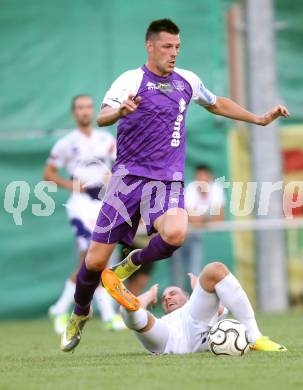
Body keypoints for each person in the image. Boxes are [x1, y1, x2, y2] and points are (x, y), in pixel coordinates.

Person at [61, 19, 289, 352]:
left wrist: (257, 118)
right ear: (150, 46)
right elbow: (102, 116)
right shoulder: (132, 79)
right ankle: (80, 313)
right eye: (167, 46)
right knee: (94, 263)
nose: (174, 53)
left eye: (177, 47)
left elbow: (215, 102)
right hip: (128, 181)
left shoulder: (187, 81)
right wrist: (120, 111)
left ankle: (131, 262)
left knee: (177, 233)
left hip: (167, 181)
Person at [44, 95, 124, 333]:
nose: (85, 111)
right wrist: (71, 186)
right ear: (74, 113)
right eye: (80, 108)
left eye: (88, 107)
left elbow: (121, 164)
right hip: (80, 204)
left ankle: (104, 314)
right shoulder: (66, 143)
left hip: (102, 202)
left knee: (100, 260)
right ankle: (63, 309)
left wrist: (113, 176)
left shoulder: (105, 139)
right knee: (89, 258)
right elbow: (48, 173)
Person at [102, 261, 287, 354]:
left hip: (196, 323)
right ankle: (130, 302)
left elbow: (221, 306)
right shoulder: (164, 320)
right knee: (130, 310)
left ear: (188, 296)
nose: (167, 297)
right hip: (167, 338)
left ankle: (255, 337)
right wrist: (149, 296)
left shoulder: (196, 307)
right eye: (164, 297)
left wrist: (200, 287)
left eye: (173, 293)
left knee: (215, 269)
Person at [171, 164, 226, 289]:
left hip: (194, 236)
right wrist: (207, 218)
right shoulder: (190, 189)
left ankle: (194, 303)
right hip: (177, 234)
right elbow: (192, 218)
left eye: (205, 178)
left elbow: (219, 218)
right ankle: (178, 304)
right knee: (177, 274)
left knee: (194, 270)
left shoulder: (216, 189)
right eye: (199, 178)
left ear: (210, 177)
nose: (202, 181)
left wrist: (199, 218)